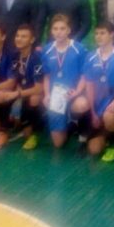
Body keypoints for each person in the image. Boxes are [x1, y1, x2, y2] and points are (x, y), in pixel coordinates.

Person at [84, 22, 114, 161]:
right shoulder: (90, 56)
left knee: (109, 116)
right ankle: (101, 137)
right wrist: (93, 112)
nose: (98, 36)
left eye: (102, 33)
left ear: (112, 34)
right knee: (93, 150)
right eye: (96, 33)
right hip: (98, 102)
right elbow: (89, 86)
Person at [42, 14, 89, 148]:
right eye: (55, 29)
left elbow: (85, 75)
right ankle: (70, 125)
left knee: (82, 105)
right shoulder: (47, 50)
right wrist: (47, 94)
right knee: (58, 144)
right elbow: (47, 76)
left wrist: (77, 92)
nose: (59, 32)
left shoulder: (79, 49)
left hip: (74, 93)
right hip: (56, 96)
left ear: (69, 30)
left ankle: (81, 127)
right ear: (51, 31)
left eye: (62, 28)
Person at [0, 24, 45, 150]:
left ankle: (34, 133)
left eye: (24, 36)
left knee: (34, 98)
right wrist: (9, 90)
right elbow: (13, 79)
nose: (19, 39)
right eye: (17, 36)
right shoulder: (14, 55)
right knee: (1, 95)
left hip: (35, 93)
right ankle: (4, 131)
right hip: (20, 90)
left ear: (32, 40)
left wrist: (17, 94)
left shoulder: (37, 58)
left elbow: (39, 88)